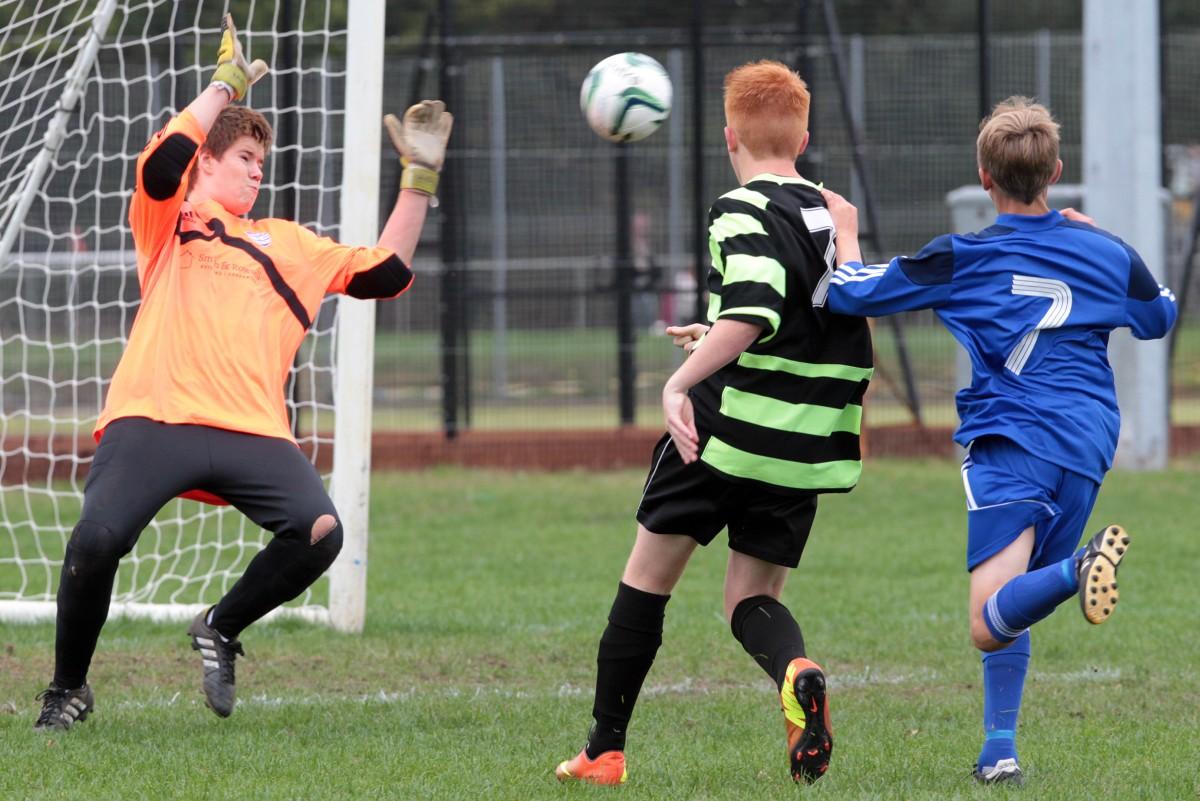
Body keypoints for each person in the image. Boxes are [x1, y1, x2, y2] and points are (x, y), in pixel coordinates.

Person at [33, 16, 453, 730]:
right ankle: (67, 687)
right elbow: (161, 163)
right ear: (208, 164)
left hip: (252, 429)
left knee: (321, 531)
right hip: (153, 414)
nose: (257, 170)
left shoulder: (288, 242)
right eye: (243, 157)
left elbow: (386, 272)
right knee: (95, 541)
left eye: (262, 160)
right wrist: (221, 87)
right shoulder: (173, 217)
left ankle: (220, 626)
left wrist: (419, 178)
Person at [821, 97, 1177, 785]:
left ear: (984, 178)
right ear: (1057, 172)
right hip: (1089, 440)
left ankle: (1081, 567)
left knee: (989, 618)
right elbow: (1159, 314)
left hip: (1014, 438)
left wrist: (844, 231)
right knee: (1016, 595)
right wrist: (1105, 238)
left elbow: (851, 292)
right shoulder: (1101, 250)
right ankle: (999, 750)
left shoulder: (965, 257)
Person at [553, 60, 873, 786]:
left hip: (728, 425)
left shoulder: (740, 207)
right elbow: (838, 304)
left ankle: (604, 749)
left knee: (647, 581)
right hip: (806, 441)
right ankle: (796, 669)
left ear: (730, 135)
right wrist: (719, 330)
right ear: (805, 134)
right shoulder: (831, 214)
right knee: (750, 600)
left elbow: (756, 307)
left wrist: (682, 377)